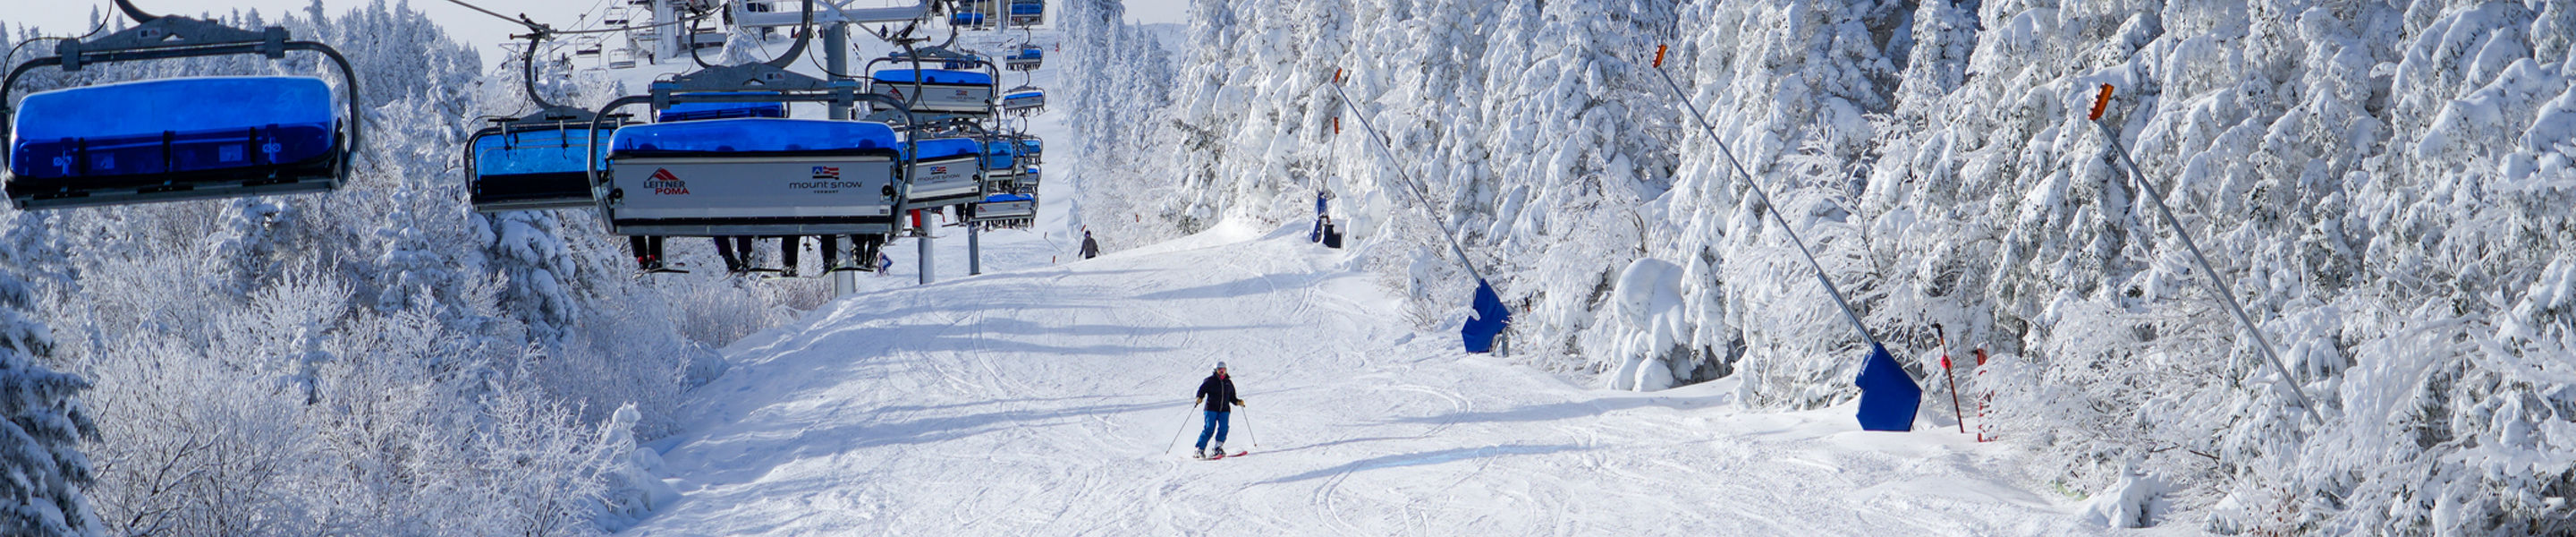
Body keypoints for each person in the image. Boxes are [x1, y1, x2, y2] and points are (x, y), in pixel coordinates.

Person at [1192, 362, 1246, 458]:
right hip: (1211, 408)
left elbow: (1232, 397)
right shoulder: (1210, 380)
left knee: (1224, 428)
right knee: (1209, 429)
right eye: (1220, 370)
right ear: (1215, 370)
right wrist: (1199, 397)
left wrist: (1238, 402)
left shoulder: (1228, 382)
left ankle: (1218, 448)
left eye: (1224, 370)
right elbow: (1202, 390)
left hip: (1224, 410)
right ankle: (1199, 449)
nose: (1222, 372)